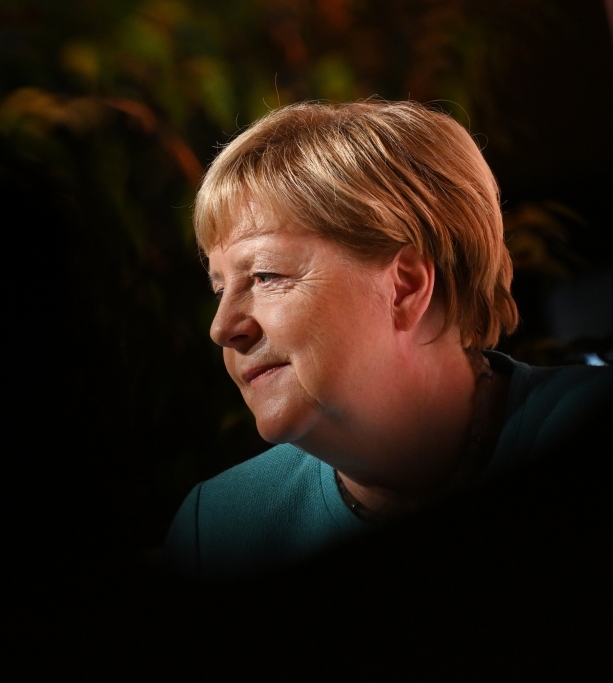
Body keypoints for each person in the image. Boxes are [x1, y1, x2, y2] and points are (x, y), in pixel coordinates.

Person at [163, 100, 612, 581]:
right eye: (219, 289)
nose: (221, 327)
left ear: (406, 287)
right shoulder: (216, 530)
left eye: (266, 275)